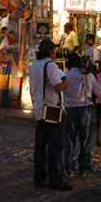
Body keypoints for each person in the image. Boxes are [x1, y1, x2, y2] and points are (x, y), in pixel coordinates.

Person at [29, 39, 72, 191]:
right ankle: (56, 179)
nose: (56, 52)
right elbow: (59, 86)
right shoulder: (51, 65)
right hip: (52, 109)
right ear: (49, 51)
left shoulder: (34, 66)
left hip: (39, 109)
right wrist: (66, 81)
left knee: (40, 147)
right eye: (54, 50)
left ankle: (39, 177)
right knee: (56, 146)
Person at [64, 53, 101, 177]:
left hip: (70, 109)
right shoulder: (89, 76)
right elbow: (98, 91)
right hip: (84, 109)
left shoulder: (67, 75)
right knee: (84, 140)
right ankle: (83, 167)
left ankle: (68, 167)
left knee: (70, 140)